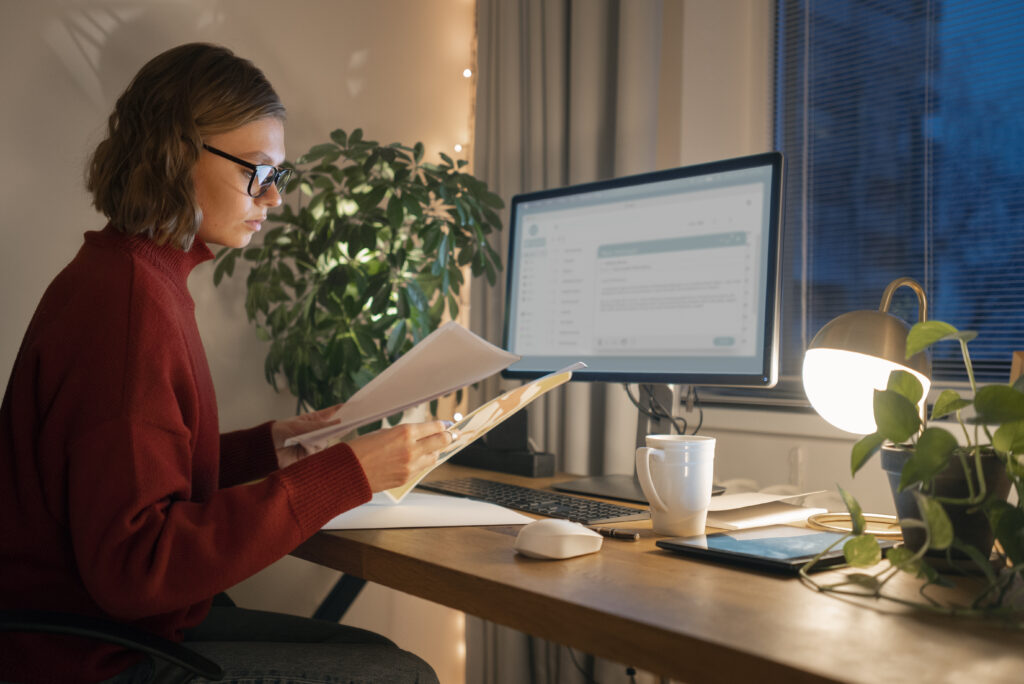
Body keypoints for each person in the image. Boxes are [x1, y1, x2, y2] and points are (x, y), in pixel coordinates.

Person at [0, 43, 449, 684]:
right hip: (89, 656)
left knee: (380, 655)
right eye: (258, 171)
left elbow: (130, 469)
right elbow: (139, 564)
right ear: (177, 153)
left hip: (100, 627)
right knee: (398, 674)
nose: (273, 199)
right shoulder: (129, 307)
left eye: (279, 177)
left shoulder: (132, 277)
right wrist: (346, 475)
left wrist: (268, 449)